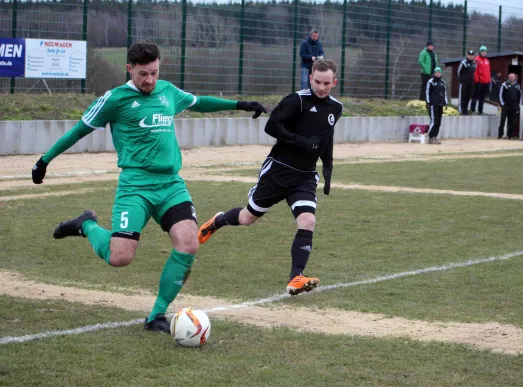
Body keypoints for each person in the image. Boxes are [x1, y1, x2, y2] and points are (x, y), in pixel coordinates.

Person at [30, 40, 267, 334]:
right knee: (120, 257)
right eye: (143, 74)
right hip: (136, 188)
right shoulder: (114, 100)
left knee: (188, 243)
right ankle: (86, 225)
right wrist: (44, 160)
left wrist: (240, 104)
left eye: (154, 72)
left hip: (170, 185)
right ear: (130, 69)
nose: (150, 80)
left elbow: (198, 103)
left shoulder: (168, 92)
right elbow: (80, 130)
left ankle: (156, 316)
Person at [197, 59, 343, 295]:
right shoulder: (297, 100)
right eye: (317, 81)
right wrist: (300, 142)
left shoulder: (336, 108)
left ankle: (296, 277)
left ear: (334, 82)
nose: (322, 87)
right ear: (310, 78)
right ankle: (218, 220)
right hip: (278, 170)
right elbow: (272, 126)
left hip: (305, 176)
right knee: (247, 218)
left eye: (327, 83)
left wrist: (328, 166)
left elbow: (327, 136)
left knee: (307, 221)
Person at [425, 67, 447, 144]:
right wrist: (428, 102)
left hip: (440, 104)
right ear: (434, 73)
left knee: (438, 122)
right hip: (433, 104)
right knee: (434, 121)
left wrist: (445, 102)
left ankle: (435, 136)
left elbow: (445, 93)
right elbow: (427, 92)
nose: (437, 74)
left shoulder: (443, 82)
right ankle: (430, 137)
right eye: (436, 72)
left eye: (439, 72)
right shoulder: (431, 82)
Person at [498, 72, 521, 139]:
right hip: (506, 106)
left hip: (514, 106)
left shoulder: (517, 85)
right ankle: (500, 135)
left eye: (512, 77)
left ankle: (510, 135)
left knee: (512, 122)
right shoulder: (504, 84)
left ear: (514, 78)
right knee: (502, 120)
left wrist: (518, 105)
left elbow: (519, 96)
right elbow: (500, 95)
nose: (511, 78)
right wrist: (503, 104)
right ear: (508, 77)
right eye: (510, 77)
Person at [472, 46, 491, 115]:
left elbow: (488, 71)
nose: (484, 53)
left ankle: (480, 111)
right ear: (480, 52)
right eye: (482, 51)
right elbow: (475, 71)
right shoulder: (476, 59)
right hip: (479, 82)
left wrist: (488, 80)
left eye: (485, 51)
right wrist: (477, 80)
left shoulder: (487, 61)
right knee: (475, 96)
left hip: (485, 82)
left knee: (482, 98)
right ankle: (473, 109)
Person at [457, 50, 477, 115]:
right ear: (467, 55)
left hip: (471, 83)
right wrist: (461, 80)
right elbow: (458, 72)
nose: (470, 56)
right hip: (463, 83)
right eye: (469, 55)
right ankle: (461, 109)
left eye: (472, 55)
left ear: (473, 56)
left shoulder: (474, 63)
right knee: (462, 96)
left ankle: (465, 109)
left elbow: (474, 72)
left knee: (468, 96)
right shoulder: (464, 62)